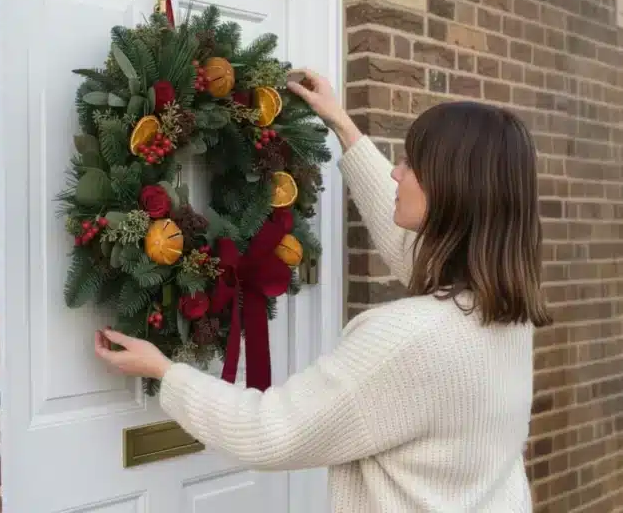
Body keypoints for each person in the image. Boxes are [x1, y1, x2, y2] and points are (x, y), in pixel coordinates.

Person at [94, 69, 551, 512]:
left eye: (411, 163)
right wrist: (343, 126)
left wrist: (165, 372)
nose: (396, 174)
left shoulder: (408, 340)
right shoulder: (504, 311)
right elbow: (410, 247)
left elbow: (271, 431)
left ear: (451, 190)